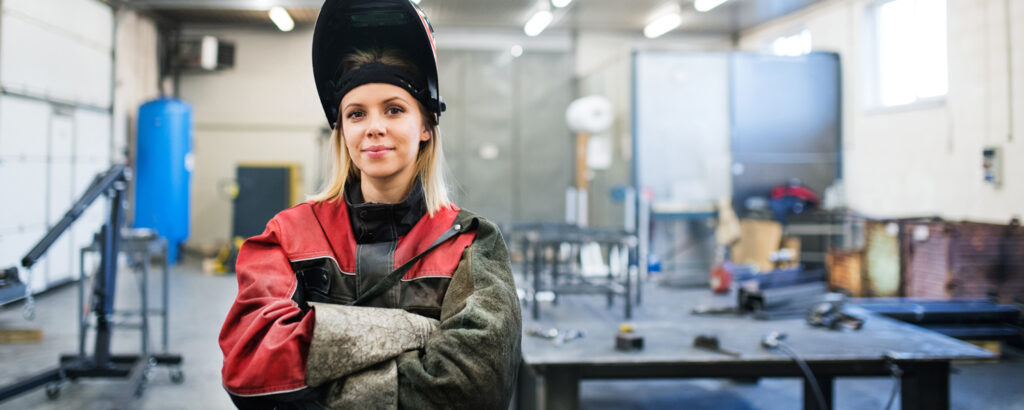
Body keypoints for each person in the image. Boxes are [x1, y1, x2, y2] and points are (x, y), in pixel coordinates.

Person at [218, 1, 522, 408]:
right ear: (342, 131)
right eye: (356, 114)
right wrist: (415, 331)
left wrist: (326, 385)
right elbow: (250, 367)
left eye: (394, 110)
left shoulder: (470, 244)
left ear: (427, 127)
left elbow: (476, 386)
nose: (374, 127)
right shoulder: (286, 236)